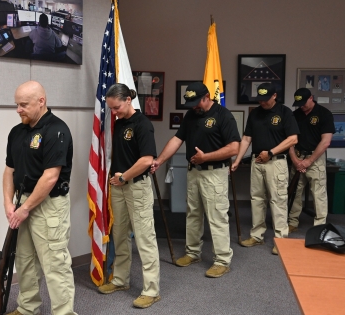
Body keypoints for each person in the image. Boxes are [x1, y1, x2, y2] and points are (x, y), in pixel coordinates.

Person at [151, 82, 240, 277]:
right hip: (194, 172)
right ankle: (193, 253)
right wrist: (159, 160)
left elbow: (234, 147)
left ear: (206, 97)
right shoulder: (191, 115)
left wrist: (206, 157)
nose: (192, 106)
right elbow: (177, 139)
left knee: (217, 216)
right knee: (193, 214)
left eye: (195, 102)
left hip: (214, 173)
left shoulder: (223, 116)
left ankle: (222, 260)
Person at [3, 81, 76, 315]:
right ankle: (27, 308)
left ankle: (64, 313)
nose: (18, 110)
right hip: (22, 202)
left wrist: (24, 209)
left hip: (49, 205)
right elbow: (9, 170)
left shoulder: (57, 130)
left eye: (23, 104)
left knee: (55, 264)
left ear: (41, 101)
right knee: (24, 260)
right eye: (17, 104)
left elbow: (51, 177)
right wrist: (8, 203)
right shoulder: (17, 132)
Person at [97, 83, 161, 309]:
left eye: (116, 108)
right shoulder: (119, 123)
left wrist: (123, 177)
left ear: (127, 100)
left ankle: (151, 290)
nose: (113, 113)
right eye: (111, 109)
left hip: (136, 187)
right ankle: (121, 280)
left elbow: (146, 160)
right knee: (120, 235)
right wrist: (119, 180)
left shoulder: (142, 124)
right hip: (119, 187)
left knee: (144, 238)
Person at [231, 83, 299, 255]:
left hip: (276, 162)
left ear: (274, 96)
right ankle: (257, 235)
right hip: (257, 162)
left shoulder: (285, 113)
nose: (262, 102)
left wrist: (271, 152)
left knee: (278, 200)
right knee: (257, 199)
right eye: (260, 99)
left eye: (266, 99)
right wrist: (237, 159)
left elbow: (293, 139)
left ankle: (281, 239)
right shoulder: (255, 114)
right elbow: (246, 138)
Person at [288, 88, 335, 232]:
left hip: (316, 157)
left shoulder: (324, 114)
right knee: (295, 191)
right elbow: (289, 139)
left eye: (304, 102)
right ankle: (292, 222)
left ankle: (320, 226)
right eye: (299, 103)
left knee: (318, 193)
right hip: (297, 156)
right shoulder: (295, 115)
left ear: (311, 98)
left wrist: (309, 161)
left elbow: (326, 142)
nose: (301, 106)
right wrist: (295, 160)